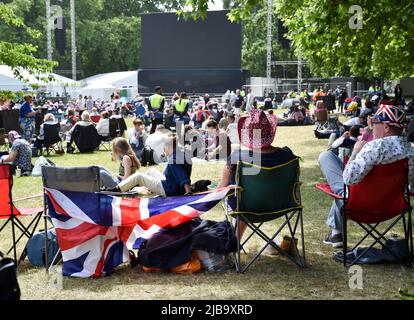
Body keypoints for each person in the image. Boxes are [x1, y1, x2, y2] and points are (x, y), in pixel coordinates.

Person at [318, 104, 414, 248]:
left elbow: (349, 179)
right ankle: (335, 233)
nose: (371, 126)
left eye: (374, 123)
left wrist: (356, 151)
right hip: (392, 206)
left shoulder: (372, 148)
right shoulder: (410, 150)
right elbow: (411, 183)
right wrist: (369, 132)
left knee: (326, 157)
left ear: (386, 127)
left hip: (358, 206)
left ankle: (336, 232)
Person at [217, 109, 297, 243]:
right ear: (269, 131)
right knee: (244, 196)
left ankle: (233, 245)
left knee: (241, 198)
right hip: (282, 206)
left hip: (246, 209)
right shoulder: (287, 154)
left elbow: (222, 188)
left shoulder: (237, 158)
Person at [111, 135, 192, 197]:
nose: (163, 150)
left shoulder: (173, 160)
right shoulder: (181, 154)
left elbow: (182, 176)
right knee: (151, 171)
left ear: (168, 147)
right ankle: (148, 189)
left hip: (169, 189)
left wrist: (188, 191)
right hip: (172, 184)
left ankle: (117, 189)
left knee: (139, 176)